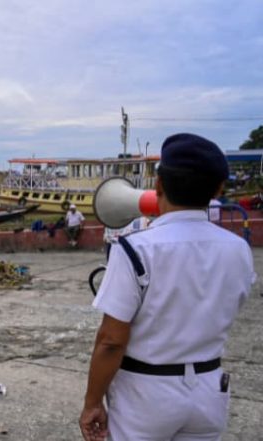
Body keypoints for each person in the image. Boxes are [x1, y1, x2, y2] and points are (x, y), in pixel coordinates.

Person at [79, 133, 256, 441]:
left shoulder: (135, 249)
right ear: (218, 189)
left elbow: (111, 342)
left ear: (158, 186)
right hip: (208, 391)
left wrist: (92, 402)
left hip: (145, 396)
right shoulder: (238, 249)